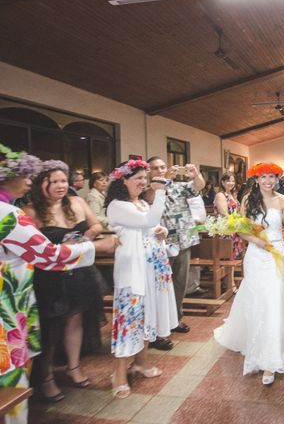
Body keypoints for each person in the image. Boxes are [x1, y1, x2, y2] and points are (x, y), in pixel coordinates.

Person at [0, 144, 115, 423]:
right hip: (7, 303)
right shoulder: (9, 214)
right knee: (10, 373)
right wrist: (98, 247)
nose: (29, 180)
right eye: (25, 174)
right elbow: (49, 256)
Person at [214, 163, 284, 386]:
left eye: (272, 177)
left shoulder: (283, 200)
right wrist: (255, 240)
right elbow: (241, 228)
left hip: (276, 254)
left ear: (277, 179)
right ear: (257, 178)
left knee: (274, 300)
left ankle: (270, 360)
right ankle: (256, 344)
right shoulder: (248, 199)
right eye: (263, 177)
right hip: (255, 255)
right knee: (257, 300)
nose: (268, 181)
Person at [25, 161, 106, 402]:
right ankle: (46, 376)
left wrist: (90, 234)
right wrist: (60, 247)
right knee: (49, 327)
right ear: (41, 185)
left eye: (63, 181)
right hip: (49, 276)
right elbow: (36, 249)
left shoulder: (77, 202)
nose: (61, 186)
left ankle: (73, 367)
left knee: (75, 319)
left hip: (79, 270)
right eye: (54, 182)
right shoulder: (31, 212)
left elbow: (97, 224)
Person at [106, 159, 178, 398]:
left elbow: (151, 225)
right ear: (123, 181)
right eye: (137, 178)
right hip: (132, 270)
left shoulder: (141, 204)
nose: (143, 182)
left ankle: (141, 363)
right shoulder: (117, 205)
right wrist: (159, 194)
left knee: (148, 316)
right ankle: (117, 373)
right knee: (129, 320)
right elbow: (146, 222)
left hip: (151, 268)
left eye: (144, 178)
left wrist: (162, 231)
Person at [146, 157, 204, 347]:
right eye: (155, 168)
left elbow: (198, 186)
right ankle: (158, 327)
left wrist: (196, 175)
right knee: (160, 286)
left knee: (180, 282)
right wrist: (160, 185)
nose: (160, 170)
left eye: (163, 167)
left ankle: (175, 318)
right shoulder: (147, 190)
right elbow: (149, 201)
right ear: (149, 172)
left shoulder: (179, 186)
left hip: (182, 239)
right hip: (159, 243)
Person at [214, 171, 245, 260]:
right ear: (222, 182)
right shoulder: (220, 195)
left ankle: (231, 273)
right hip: (226, 229)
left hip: (234, 228)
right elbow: (223, 213)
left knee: (234, 257)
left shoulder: (233, 195)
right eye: (228, 181)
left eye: (233, 181)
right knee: (229, 257)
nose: (231, 183)